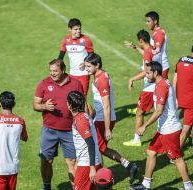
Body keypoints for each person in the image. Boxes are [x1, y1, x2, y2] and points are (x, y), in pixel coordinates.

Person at [130, 61, 193, 190]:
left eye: (148, 73)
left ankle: (189, 187)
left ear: (155, 72)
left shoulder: (161, 87)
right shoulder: (163, 82)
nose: (146, 76)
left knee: (177, 159)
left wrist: (144, 126)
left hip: (169, 130)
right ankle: (145, 185)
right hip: (163, 129)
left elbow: (159, 111)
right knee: (151, 152)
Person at [84, 53, 138, 184]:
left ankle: (100, 178)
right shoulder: (99, 75)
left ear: (97, 65)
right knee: (100, 148)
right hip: (100, 117)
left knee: (96, 148)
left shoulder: (101, 79)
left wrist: (107, 128)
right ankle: (129, 166)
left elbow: (106, 105)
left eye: (88, 66)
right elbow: (101, 103)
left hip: (104, 119)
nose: (86, 69)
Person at [33, 59, 83, 190]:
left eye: (55, 71)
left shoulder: (76, 84)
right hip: (49, 130)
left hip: (70, 130)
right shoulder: (44, 83)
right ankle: (46, 187)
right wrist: (44, 106)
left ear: (63, 70)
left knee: (72, 161)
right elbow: (35, 105)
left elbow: (82, 104)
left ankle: (76, 187)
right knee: (46, 160)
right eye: (50, 71)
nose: (52, 74)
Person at [123, 29, 160, 147]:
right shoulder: (153, 49)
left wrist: (132, 79)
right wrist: (135, 47)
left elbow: (146, 71)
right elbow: (146, 53)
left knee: (139, 113)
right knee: (158, 110)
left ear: (141, 40)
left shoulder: (148, 53)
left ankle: (136, 139)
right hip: (156, 84)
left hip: (150, 88)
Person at [67, 91, 101, 190]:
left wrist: (92, 168)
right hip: (90, 161)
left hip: (87, 164)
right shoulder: (84, 115)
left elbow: (90, 143)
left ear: (69, 105)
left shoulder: (80, 120)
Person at [59, 18, 94, 96]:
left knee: (82, 98)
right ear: (70, 29)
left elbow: (92, 56)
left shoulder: (86, 40)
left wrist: (85, 63)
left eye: (79, 29)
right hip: (72, 74)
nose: (78, 31)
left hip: (83, 74)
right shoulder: (66, 40)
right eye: (76, 29)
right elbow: (60, 57)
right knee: (73, 98)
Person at [145, 11, 170, 78]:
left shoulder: (159, 33)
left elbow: (157, 50)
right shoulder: (156, 32)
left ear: (155, 21)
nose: (146, 23)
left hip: (161, 68)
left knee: (162, 87)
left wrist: (146, 46)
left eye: (148, 21)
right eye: (146, 21)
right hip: (158, 67)